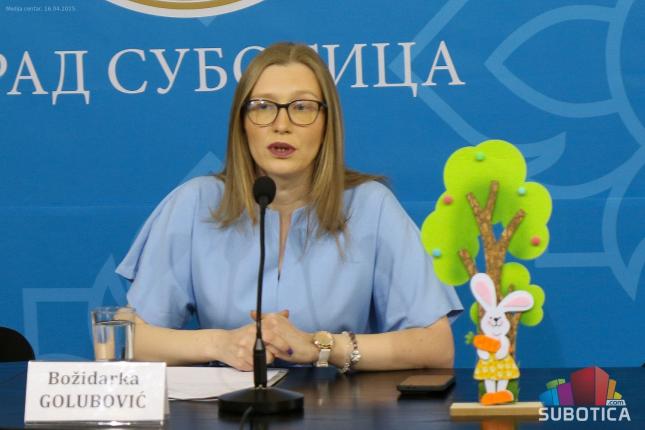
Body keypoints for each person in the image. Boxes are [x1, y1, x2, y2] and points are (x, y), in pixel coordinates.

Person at [116, 42, 462, 372]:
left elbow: (435, 346)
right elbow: (131, 339)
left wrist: (320, 347)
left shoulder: (370, 206)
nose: (281, 125)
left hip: (339, 406)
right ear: (242, 123)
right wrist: (221, 344)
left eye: (302, 107)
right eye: (263, 106)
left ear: (327, 124)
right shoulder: (196, 203)